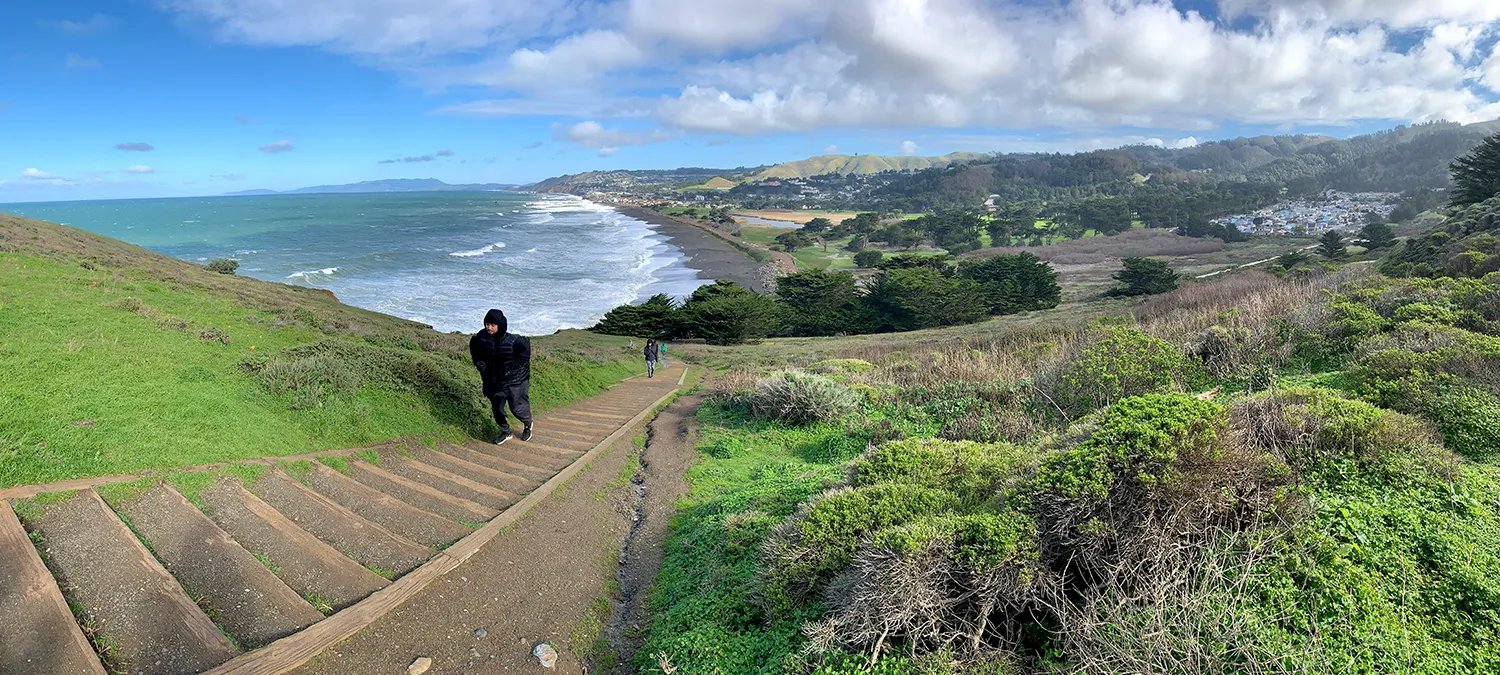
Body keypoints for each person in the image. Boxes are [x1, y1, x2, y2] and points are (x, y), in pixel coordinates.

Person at [469, 308, 532, 444]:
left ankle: (528, 424)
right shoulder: (481, 337)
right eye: (487, 324)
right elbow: (475, 351)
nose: (489, 327)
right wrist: (479, 363)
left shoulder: (513, 341)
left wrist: (514, 367)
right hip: (493, 380)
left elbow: (526, 350)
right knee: (497, 408)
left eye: (492, 325)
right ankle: (506, 431)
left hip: (515, 381)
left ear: (500, 325)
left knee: (517, 407)